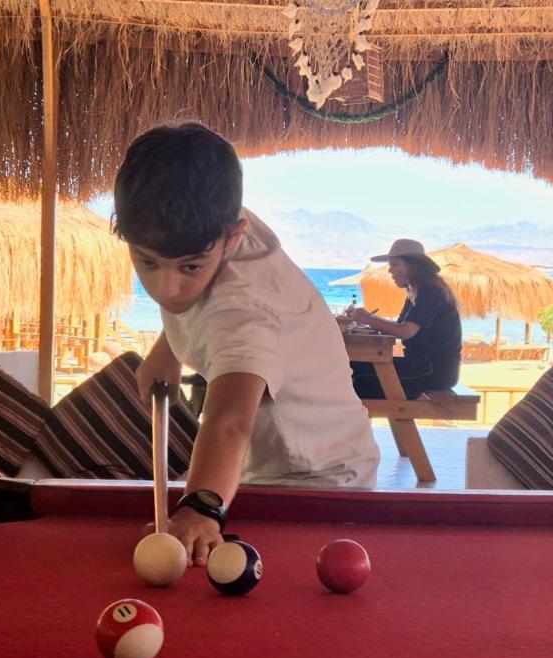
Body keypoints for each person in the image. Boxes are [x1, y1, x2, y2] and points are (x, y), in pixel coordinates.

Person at [113, 121, 380, 566]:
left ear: (233, 237)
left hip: (320, 476)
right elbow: (186, 298)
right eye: (148, 262)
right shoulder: (203, 213)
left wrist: (201, 507)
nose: (167, 289)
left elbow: (230, 420)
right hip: (260, 464)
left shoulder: (246, 311)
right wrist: (169, 347)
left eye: (191, 267)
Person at [348, 239, 462, 399]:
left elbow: (404, 331)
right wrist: (370, 319)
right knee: (352, 367)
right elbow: (402, 327)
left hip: (432, 371)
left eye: (394, 265)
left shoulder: (430, 291)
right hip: (424, 366)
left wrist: (368, 318)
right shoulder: (418, 291)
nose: (390, 270)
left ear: (413, 265)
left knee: (354, 380)